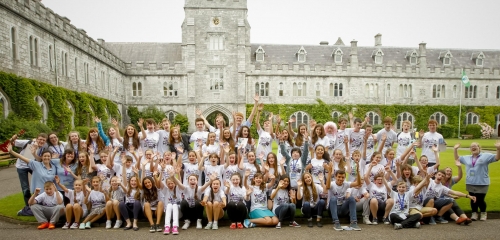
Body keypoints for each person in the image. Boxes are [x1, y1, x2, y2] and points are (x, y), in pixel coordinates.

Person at [454, 141, 500, 221]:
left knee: (480, 200)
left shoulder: (486, 156)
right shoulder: (467, 158)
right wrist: (455, 149)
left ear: (479, 148)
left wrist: (498, 149)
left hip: (482, 182)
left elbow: (497, 158)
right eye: (472, 146)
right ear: (470, 149)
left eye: (475, 146)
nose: (473, 147)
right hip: (470, 182)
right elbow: (457, 158)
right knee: (473, 199)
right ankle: (474, 213)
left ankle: (483, 213)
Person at [10, 133, 48, 214]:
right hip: (21, 167)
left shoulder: (44, 147)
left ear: (45, 141)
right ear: (36, 139)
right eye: (40, 139)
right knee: (25, 187)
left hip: (32, 166)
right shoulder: (28, 142)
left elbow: (40, 160)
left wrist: (35, 154)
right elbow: (12, 142)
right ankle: (28, 207)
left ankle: (38, 202)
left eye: (43, 140)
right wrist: (13, 138)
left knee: (39, 184)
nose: (41, 141)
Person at [325, 160, 362, 231]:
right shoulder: (332, 184)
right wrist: (329, 172)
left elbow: (358, 183)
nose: (341, 179)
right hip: (332, 209)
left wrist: (358, 171)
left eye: (342, 177)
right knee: (333, 199)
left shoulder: (346, 184)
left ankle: (354, 222)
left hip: (342, 209)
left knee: (351, 198)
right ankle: (336, 223)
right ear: (335, 177)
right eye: (339, 177)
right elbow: (327, 187)